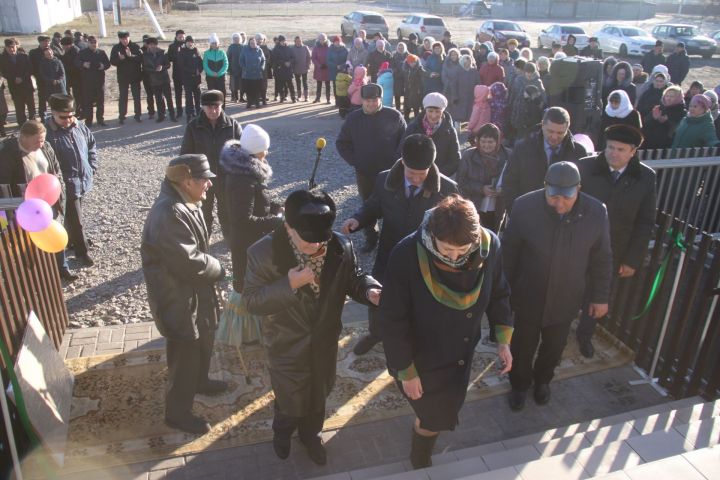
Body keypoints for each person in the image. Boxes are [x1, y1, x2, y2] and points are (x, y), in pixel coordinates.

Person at [243, 189, 381, 465]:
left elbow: (352, 278)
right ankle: (282, 433)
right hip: (285, 344)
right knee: (290, 400)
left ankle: (312, 435)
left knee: (319, 395)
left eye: (321, 241)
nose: (316, 248)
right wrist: (289, 285)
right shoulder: (263, 253)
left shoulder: (340, 246)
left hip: (324, 342)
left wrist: (369, 290)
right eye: (307, 242)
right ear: (287, 226)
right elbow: (251, 301)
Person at [377, 194, 513, 468]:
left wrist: (503, 341)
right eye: (445, 249)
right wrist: (407, 370)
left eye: (462, 252)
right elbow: (393, 320)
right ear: (432, 235)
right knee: (434, 414)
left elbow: (499, 292)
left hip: (461, 349)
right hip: (422, 355)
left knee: (444, 407)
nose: (453, 258)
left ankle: (424, 442)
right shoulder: (406, 254)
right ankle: (420, 454)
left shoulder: (490, 246)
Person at [503, 161, 612, 411]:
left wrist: (600, 297)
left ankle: (543, 381)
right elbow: (509, 254)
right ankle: (519, 385)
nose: (559, 203)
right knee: (522, 345)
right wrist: (502, 296)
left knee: (554, 347)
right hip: (529, 294)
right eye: (553, 196)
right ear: (544, 188)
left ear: (579, 190)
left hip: (566, 297)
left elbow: (602, 258)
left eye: (567, 197)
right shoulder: (524, 207)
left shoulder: (596, 213)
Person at [342, 134, 459, 355]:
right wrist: (357, 219)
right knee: (378, 295)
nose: (416, 179)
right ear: (403, 162)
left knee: (418, 303)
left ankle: (412, 340)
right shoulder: (385, 180)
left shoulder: (447, 189)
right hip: (390, 252)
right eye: (412, 174)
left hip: (424, 258)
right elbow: (374, 205)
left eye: (421, 175)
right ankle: (376, 333)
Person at [141, 154, 227, 435]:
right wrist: (219, 268)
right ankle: (177, 413)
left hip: (192, 292)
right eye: (204, 180)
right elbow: (189, 261)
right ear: (187, 181)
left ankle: (200, 382)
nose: (209, 185)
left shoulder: (184, 202)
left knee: (202, 339)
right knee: (185, 353)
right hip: (177, 298)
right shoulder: (168, 212)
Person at [576, 125, 656, 358]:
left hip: (613, 251)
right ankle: (554, 330)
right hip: (578, 245)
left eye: (620, 149)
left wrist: (632, 259)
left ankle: (584, 335)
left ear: (632, 152)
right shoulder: (585, 167)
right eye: (610, 147)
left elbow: (645, 222)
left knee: (598, 295)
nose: (613, 153)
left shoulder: (645, 177)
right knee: (565, 290)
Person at [0, 120, 75, 280]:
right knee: (27, 241)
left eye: (42, 140)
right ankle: (34, 273)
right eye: (37, 141)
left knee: (55, 231)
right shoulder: (8, 153)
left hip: (49, 199)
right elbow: (4, 182)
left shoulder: (46, 147)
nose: (40, 144)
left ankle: (62, 268)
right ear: (24, 137)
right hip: (26, 204)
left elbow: (55, 169)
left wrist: (59, 189)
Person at [336, 83, 406, 252]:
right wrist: (356, 161)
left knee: (394, 206)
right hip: (365, 173)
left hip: (391, 173)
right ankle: (371, 238)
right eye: (367, 100)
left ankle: (394, 239)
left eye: (375, 100)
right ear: (362, 100)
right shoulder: (353, 119)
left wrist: (398, 164)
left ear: (380, 99)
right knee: (368, 205)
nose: (371, 104)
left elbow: (404, 142)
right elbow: (342, 143)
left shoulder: (394, 116)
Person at [220, 124, 282, 299]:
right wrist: (278, 221)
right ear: (255, 150)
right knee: (251, 290)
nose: (267, 153)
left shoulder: (245, 170)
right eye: (265, 149)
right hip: (247, 245)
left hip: (252, 241)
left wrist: (276, 207)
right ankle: (250, 325)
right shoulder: (243, 179)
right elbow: (242, 219)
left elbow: (257, 200)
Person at [44, 94, 97, 267]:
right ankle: (82, 252)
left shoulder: (79, 126)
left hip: (83, 179)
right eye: (63, 117)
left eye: (71, 116)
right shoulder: (47, 133)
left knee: (74, 215)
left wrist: (92, 166)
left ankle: (72, 240)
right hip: (65, 183)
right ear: (53, 113)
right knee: (77, 219)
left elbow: (91, 145)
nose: (68, 120)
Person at [180, 90, 242, 237]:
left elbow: (243, 154)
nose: (213, 111)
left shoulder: (233, 126)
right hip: (201, 180)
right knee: (202, 214)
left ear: (222, 106)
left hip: (226, 179)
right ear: (202, 107)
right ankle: (202, 245)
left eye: (216, 107)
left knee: (227, 214)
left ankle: (231, 243)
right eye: (209, 107)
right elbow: (185, 155)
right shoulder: (193, 127)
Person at [502, 107, 588, 211]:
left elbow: (583, 189)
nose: (554, 137)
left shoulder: (578, 152)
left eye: (560, 133)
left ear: (567, 128)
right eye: (550, 131)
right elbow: (509, 183)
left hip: (564, 217)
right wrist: (515, 211)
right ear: (542, 125)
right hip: (528, 213)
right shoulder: (523, 148)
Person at [456, 123, 510, 232]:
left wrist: (502, 191)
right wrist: (481, 189)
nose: (486, 145)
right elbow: (460, 182)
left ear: (498, 142)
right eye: (483, 141)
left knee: (492, 237)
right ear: (478, 141)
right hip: (473, 206)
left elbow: (514, 181)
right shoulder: (468, 156)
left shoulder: (508, 156)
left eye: (490, 142)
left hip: (497, 208)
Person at [401, 92, 460, 177]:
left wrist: (436, 175)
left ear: (443, 112)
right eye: (430, 111)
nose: (434, 115)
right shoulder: (413, 127)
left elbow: (455, 160)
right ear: (425, 110)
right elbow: (401, 152)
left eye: (437, 111)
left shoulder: (450, 131)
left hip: (439, 178)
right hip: (414, 177)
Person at [75, 36, 110, 128]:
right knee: (88, 102)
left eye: (95, 42)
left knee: (100, 102)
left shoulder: (101, 53)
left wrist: (104, 66)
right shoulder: (82, 53)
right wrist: (83, 64)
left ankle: (100, 119)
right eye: (92, 43)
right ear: (88, 43)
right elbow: (76, 62)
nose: (94, 44)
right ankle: (89, 121)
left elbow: (108, 64)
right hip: (87, 81)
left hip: (99, 81)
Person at [0, 38, 36, 126]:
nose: (12, 49)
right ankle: (22, 124)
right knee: (19, 108)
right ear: (6, 48)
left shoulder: (23, 56)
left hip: (27, 85)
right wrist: (13, 78)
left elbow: (30, 69)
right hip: (15, 87)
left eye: (13, 47)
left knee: (31, 106)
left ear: (16, 46)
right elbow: (3, 72)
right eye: (9, 48)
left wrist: (22, 78)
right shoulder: (2, 59)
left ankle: (33, 123)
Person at [110, 31, 143, 124]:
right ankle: (122, 116)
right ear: (119, 39)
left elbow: (141, 59)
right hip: (123, 76)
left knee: (136, 97)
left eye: (126, 38)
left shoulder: (136, 47)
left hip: (135, 76)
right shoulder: (116, 48)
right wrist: (120, 59)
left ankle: (138, 115)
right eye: (122, 39)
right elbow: (112, 61)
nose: (125, 41)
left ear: (129, 37)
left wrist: (131, 56)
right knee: (123, 97)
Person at [641, 84, 686, 149]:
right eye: (667, 96)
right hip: (648, 143)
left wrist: (667, 121)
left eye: (672, 96)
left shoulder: (681, 112)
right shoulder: (659, 108)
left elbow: (677, 131)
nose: (668, 98)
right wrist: (654, 119)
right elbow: (644, 124)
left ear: (679, 98)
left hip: (664, 147)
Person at [142, 37, 176, 123]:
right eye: (150, 44)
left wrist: (162, 67)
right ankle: (161, 115)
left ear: (156, 44)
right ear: (148, 45)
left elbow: (168, 65)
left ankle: (172, 115)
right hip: (154, 80)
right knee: (158, 99)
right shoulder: (145, 55)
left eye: (154, 44)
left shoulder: (162, 53)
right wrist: (154, 70)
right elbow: (145, 68)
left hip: (164, 79)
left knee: (169, 98)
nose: (152, 46)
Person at [176, 36, 203, 121]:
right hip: (187, 79)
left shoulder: (196, 50)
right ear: (185, 43)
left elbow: (201, 62)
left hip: (196, 79)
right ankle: (189, 114)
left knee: (197, 96)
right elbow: (182, 66)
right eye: (188, 42)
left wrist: (200, 70)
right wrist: (194, 71)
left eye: (191, 42)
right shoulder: (182, 52)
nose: (190, 43)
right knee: (189, 98)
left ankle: (199, 113)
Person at [449, 54, 479, 126]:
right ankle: (457, 128)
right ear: (462, 62)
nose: (468, 63)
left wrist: (477, 96)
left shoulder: (474, 71)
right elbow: (454, 85)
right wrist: (455, 96)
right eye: (466, 61)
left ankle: (469, 129)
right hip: (460, 96)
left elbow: (478, 84)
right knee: (458, 115)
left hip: (471, 96)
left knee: (470, 114)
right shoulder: (457, 71)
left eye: (469, 61)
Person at [239, 37, 266, 110]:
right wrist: (245, 68)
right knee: (249, 89)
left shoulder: (259, 50)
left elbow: (263, 60)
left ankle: (257, 103)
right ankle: (249, 102)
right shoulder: (245, 50)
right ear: (249, 43)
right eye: (251, 43)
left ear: (256, 43)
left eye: (254, 43)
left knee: (257, 89)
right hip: (248, 74)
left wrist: (262, 67)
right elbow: (241, 60)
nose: (253, 44)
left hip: (257, 74)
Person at [204, 34, 229, 109]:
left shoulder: (222, 53)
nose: (214, 45)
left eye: (215, 43)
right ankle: (213, 108)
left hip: (221, 77)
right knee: (212, 93)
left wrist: (219, 73)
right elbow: (205, 65)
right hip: (210, 77)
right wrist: (211, 73)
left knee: (222, 93)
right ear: (210, 44)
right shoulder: (206, 53)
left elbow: (226, 64)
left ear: (218, 44)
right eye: (212, 43)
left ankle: (222, 109)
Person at [29, 36, 51, 119]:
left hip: (52, 80)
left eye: (48, 42)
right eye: (45, 42)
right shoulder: (34, 52)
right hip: (41, 79)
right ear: (40, 42)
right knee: (42, 98)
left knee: (53, 98)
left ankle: (54, 116)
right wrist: (36, 76)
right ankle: (43, 116)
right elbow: (31, 66)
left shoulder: (52, 51)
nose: (47, 44)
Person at [59, 37, 81, 116]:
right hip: (70, 76)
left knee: (78, 95)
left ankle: (79, 111)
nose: (63, 47)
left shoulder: (75, 51)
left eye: (64, 45)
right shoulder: (69, 51)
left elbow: (75, 65)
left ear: (69, 45)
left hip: (76, 77)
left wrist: (64, 66)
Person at [271, 35, 296, 103]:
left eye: (284, 41)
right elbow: (274, 60)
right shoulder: (275, 49)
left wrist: (289, 62)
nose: (283, 42)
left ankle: (293, 97)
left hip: (288, 70)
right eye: (282, 41)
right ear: (279, 41)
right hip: (280, 70)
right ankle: (282, 97)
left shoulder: (289, 48)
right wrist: (284, 63)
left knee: (290, 85)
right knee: (280, 85)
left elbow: (293, 57)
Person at [167, 30, 186, 118]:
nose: (182, 39)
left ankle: (190, 110)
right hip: (177, 74)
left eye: (183, 37)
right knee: (178, 94)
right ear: (176, 37)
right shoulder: (172, 46)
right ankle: (179, 111)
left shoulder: (187, 44)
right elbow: (169, 58)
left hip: (187, 74)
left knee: (188, 93)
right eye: (180, 37)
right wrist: (177, 54)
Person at [140, 35, 157, 120]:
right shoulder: (141, 50)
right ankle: (151, 112)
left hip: (156, 75)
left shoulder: (155, 49)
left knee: (158, 95)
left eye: (148, 41)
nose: (146, 43)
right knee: (149, 95)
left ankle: (162, 111)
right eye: (145, 41)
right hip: (146, 76)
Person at [327, 35, 348, 103]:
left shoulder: (345, 49)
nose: (337, 43)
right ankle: (337, 101)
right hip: (334, 70)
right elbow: (328, 60)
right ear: (333, 42)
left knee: (343, 85)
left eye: (338, 41)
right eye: (336, 42)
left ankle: (343, 101)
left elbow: (347, 60)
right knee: (335, 86)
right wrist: (336, 66)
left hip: (343, 71)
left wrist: (342, 66)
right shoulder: (330, 49)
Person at [310, 34, 330, 103]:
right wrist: (319, 65)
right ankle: (318, 98)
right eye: (321, 39)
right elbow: (313, 58)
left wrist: (328, 64)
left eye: (324, 39)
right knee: (319, 84)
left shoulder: (329, 47)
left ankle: (328, 99)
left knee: (327, 84)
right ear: (318, 40)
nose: (322, 41)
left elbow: (331, 56)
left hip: (327, 69)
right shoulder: (316, 47)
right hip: (319, 69)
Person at [403, 54, 424, 120]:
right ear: (408, 62)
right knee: (407, 107)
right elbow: (402, 78)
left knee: (416, 107)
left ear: (416, 62)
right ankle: (406, 119)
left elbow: (424, 73)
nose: (412, 64)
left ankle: (416, 120)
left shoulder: (419, 68)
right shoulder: (405, 69)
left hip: (416, 91)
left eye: (414, 62)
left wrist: (430, 74)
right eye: (410, 62)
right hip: (407, 91)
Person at [227, 33, 245, 103]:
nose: (236, 39)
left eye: (237, 38)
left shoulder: (243, 47)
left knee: (242, 84)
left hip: (242, 68)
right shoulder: (231, 47)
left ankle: (242, 97)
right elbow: (228, 58)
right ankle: (235, 97)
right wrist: (228, 69)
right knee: (234, 85)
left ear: (240, 39)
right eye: (234, 38)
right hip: (233, 69)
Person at [391, 42, 408, 110]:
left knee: (406, 95)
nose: (401, 49)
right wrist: (398, 73)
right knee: (397, 95)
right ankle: (398, 110)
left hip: (406, 78)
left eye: (402, 48)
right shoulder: (394, 56)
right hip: (397, 78)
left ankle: (405, 109)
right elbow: (392, 66)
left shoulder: (409, 55)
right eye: (399, 48)